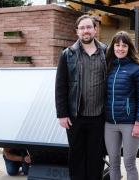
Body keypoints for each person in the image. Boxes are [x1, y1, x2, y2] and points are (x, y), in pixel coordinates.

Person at [55, 14, 107, 180]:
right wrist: (62, 113)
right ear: (77, 31)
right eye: (82, 28)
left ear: (95, 30)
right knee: (77, 157)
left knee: (96, 157)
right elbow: (60, 86)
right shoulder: (67, 54)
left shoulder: (106, 52)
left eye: (89, 27)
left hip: (99, 116)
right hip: (75, 116)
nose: (86, 30)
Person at [105, 31, 139, 180]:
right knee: (114, 162)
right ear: (113, 47)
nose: (120, 48)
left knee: (129, 163)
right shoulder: (108, 67)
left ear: (129, 48)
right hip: (109, 124)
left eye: (124, 45)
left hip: (130, 124)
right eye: (117, 45)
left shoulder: (137, 69)